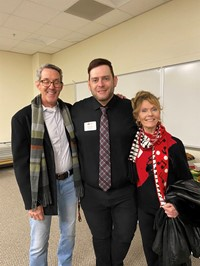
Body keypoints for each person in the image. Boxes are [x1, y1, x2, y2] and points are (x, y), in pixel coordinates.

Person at [11, 63, 83, 266]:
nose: (51, 86)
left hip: (69, 183)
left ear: (61, 85)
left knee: (68, 234)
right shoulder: (22, 118)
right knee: (39, 241)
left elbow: (92, 108)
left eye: (56, 81)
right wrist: (31, 202)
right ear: (38, 84)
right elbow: (20, 164)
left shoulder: (70, 111)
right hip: (42, 188)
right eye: (46, 81)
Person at [71, 58, 138, 266]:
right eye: (95, 79)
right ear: (89, 83)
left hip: (125, 192)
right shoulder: (76, 111)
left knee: (125, 235)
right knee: (100, 238)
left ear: (115, 80)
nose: (101, 84)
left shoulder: (131, 108)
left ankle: (115, 262)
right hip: (92, 193)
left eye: (105, 78)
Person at [128, 90, 193, 266]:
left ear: (159, 112)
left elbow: (187, 182)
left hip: (169, 209)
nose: (150, 114)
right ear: (137, 116)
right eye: (144, 110)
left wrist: (178, 207)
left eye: (154, 109)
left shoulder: (173, 144)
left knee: (175, 255)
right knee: (152, 254)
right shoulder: (133, 144)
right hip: (145, 210)